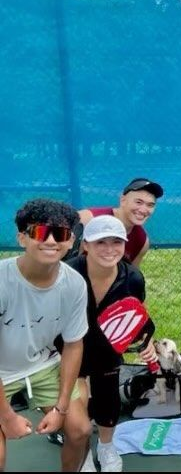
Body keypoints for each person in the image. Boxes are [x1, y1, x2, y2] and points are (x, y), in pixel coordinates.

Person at [0, 198, 92, 472]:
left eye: (60, 234)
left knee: (80, 430)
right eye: (40, 232)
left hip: (43, 364)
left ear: (70, 240)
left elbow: (74, 345)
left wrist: (61, 408)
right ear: (22, 238)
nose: (51, 241)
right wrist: (7, 417)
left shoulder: (74, 284)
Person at [66, 215, 158, 472]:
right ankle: (82, 452)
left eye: (116, 242)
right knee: (77, 402)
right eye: (100, 242)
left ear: (125, 245)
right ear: (86, 245)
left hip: (106, 347)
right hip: (70, 345)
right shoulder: (68, 273)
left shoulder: (133, 279)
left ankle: (106, 447)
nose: (109, 249)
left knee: (107, 395)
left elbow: (136, 314)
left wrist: (146, 341)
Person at [77, 177, 164, 267]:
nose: (143, 210)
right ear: (123, 200)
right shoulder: (87, 219)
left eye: (150, 205)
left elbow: (131, 277)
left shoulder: (142, 241)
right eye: (138, 202)